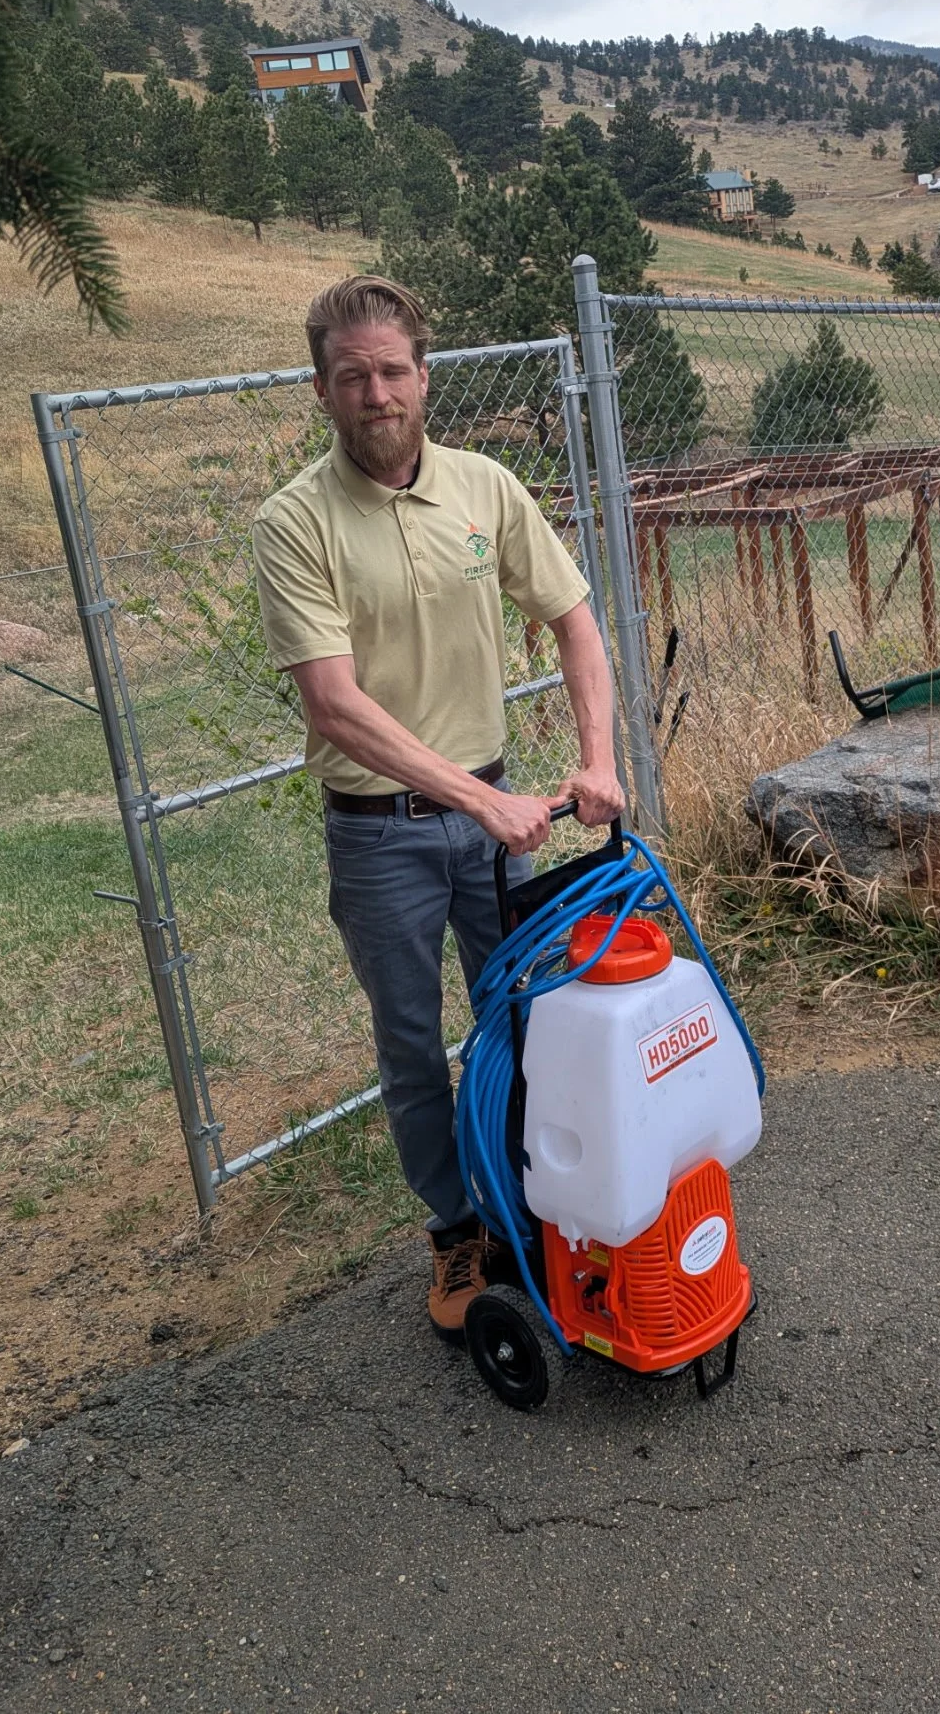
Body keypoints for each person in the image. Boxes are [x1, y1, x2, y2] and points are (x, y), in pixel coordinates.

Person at [252, 275, 625, 1338]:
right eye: (351, 376)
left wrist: (595, 759)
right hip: (384, 839)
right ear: (321, 390)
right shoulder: (295, 524)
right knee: (414, 1043)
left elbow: (575, 622)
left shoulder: (484, 489)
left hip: (497, 814)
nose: (376, 394)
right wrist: (477, 802)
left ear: (426, 376)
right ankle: (457, 1228)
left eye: (393, 370)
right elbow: (336, 703)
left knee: (532, 1023)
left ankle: (538, 1205)